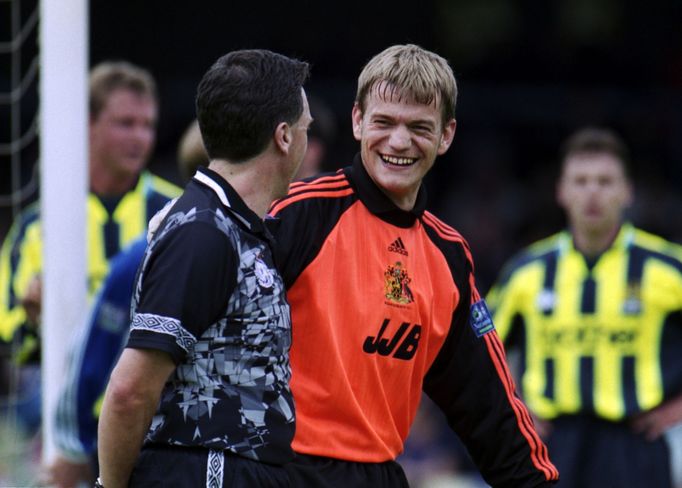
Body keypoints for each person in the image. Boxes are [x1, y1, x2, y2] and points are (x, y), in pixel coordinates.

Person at [268, 44, 558, 487]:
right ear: (358, 121)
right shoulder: (295, 215)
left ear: (446, 136)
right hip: (280, 472)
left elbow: (490, 406)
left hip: (381, 474)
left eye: (420, 127)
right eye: (384, 122)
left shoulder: (448, 255)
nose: (399, 141)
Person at [96, 48, 311, 488]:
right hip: (207, 473)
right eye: (306, 128)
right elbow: (129, 391)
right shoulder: (203, 232)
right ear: (284, 136)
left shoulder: (234, 223)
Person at [486, 127, 682, 488]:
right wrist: (514, 404)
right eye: (581, 181)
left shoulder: (668, 268)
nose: (592, 192)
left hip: (636, 445)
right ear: (561, 190)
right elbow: (478, 352)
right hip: (551, 443)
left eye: (605, 181)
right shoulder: (527, 271)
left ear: (627, 191)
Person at [0, 61, 181, 431]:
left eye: (147, 125)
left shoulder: (179, 213)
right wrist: (34, 320)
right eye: (125, 123)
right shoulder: (38, 227)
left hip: (161, 417)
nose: (140, 137)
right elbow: (9, 337)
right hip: (66, 421)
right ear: (87, 123)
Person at [46, 119, 208, 488]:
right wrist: (76, 450)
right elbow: (94, 364)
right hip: (141, 455)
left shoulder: (267, 250)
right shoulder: (143, 256)